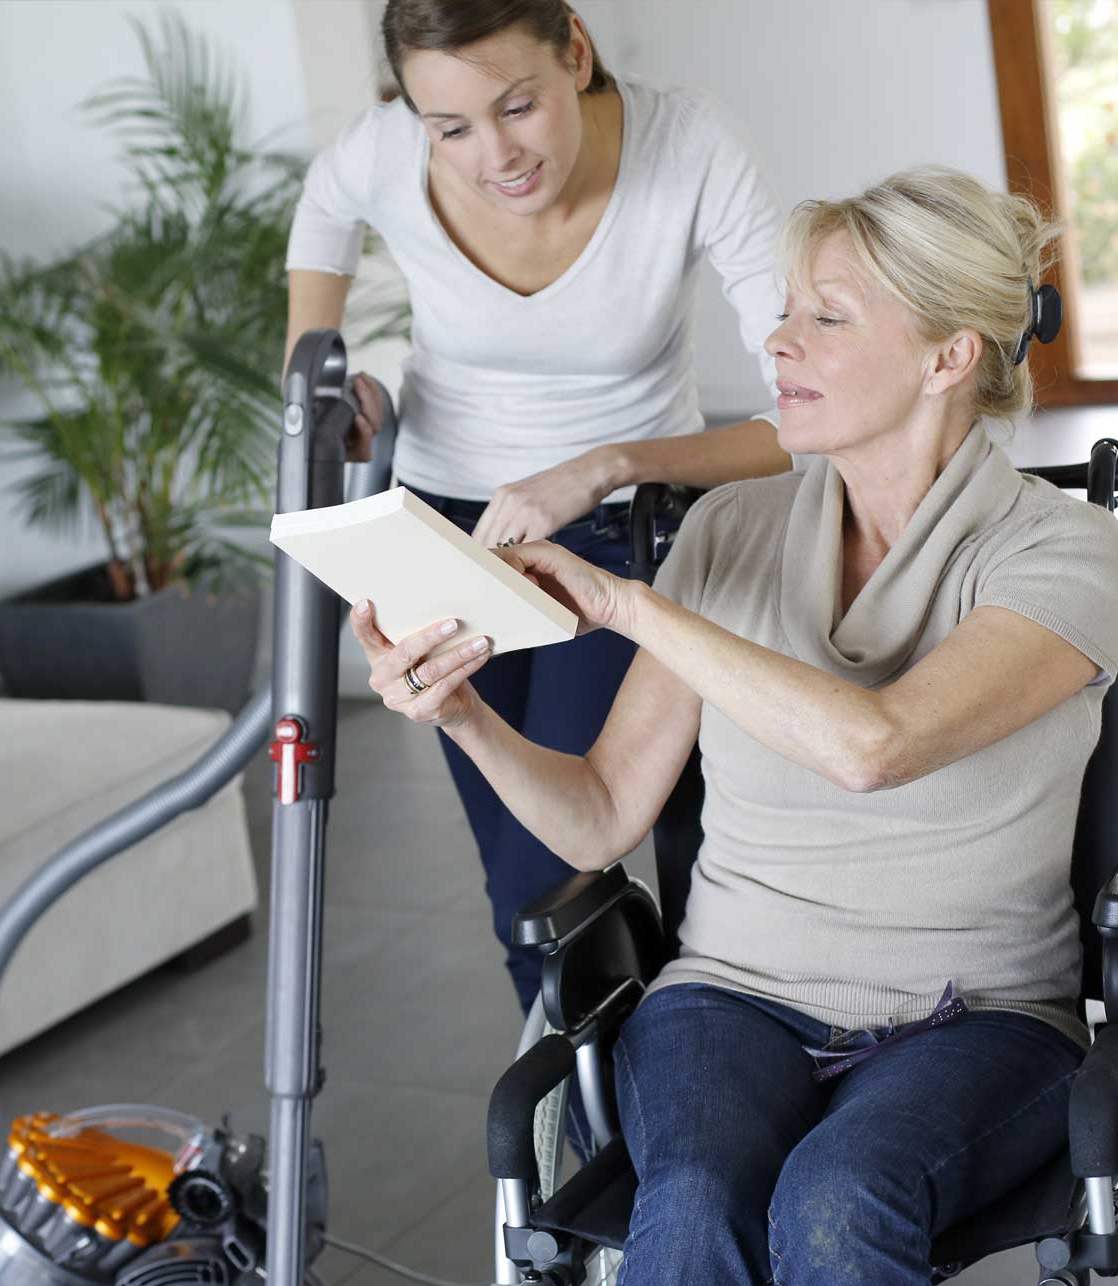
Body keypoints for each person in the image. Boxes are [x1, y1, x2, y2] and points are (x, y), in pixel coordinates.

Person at [350, 165, 1118, 1286]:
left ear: (947, 355)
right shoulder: (728, 531)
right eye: (781, 311)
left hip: (982, 1016)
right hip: (728, 997)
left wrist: (630, 605)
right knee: (693, 1199)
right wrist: (459, 710)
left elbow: (876, 745)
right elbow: (600, 814)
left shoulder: (1062, 551)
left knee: (837, 1196)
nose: (778, 345)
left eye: (826, 317)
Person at [284, 0, 792, 1018]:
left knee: (564, 863)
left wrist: (604, 463)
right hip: (439, 527)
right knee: (517, 889)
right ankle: (577, 1135)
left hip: (620, 530)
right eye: (450, 128)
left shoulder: (687, 143)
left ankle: (686, 1073)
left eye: (517, 107)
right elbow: (324, 213)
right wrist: (320, 378)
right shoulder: (384, 151)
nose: (494, 156)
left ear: (576, 49)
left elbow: (806, 416)